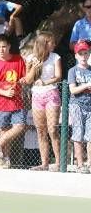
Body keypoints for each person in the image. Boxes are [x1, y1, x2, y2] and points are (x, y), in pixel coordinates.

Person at [0, 33, 27, 168]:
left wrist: (24, 80)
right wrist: (4, 92)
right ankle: (4, 159)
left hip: (17, 101)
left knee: (20, 126)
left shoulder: (19, 60)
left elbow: (25, 77)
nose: (1, 50)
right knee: (4, 131)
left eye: (3, 47)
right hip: (1, 103)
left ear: (9, 46)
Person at [24, 31, 62, 171]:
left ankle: (58, 163)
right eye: (51, 41)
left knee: (52, 130)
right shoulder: (31, 58)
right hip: (37, 96)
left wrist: (45, 82)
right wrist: (35, 65)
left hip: (51, 93)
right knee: (41, 130)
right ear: (44, 43)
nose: (54, 44)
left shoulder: (55, 57)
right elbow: (28, 80)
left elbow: (58, 76)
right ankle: (44, 163)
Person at [68, 40, 91, 174]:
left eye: (85, 53)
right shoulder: (73, 71)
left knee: (90, 136)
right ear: (76, 55)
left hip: (90, 106)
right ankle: (80, 164)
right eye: (80, 53)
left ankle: (89, 164)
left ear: (89, 54)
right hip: (77, 105)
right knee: (78, 134)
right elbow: (73, 90)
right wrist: (86, 86)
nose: (83, 56)